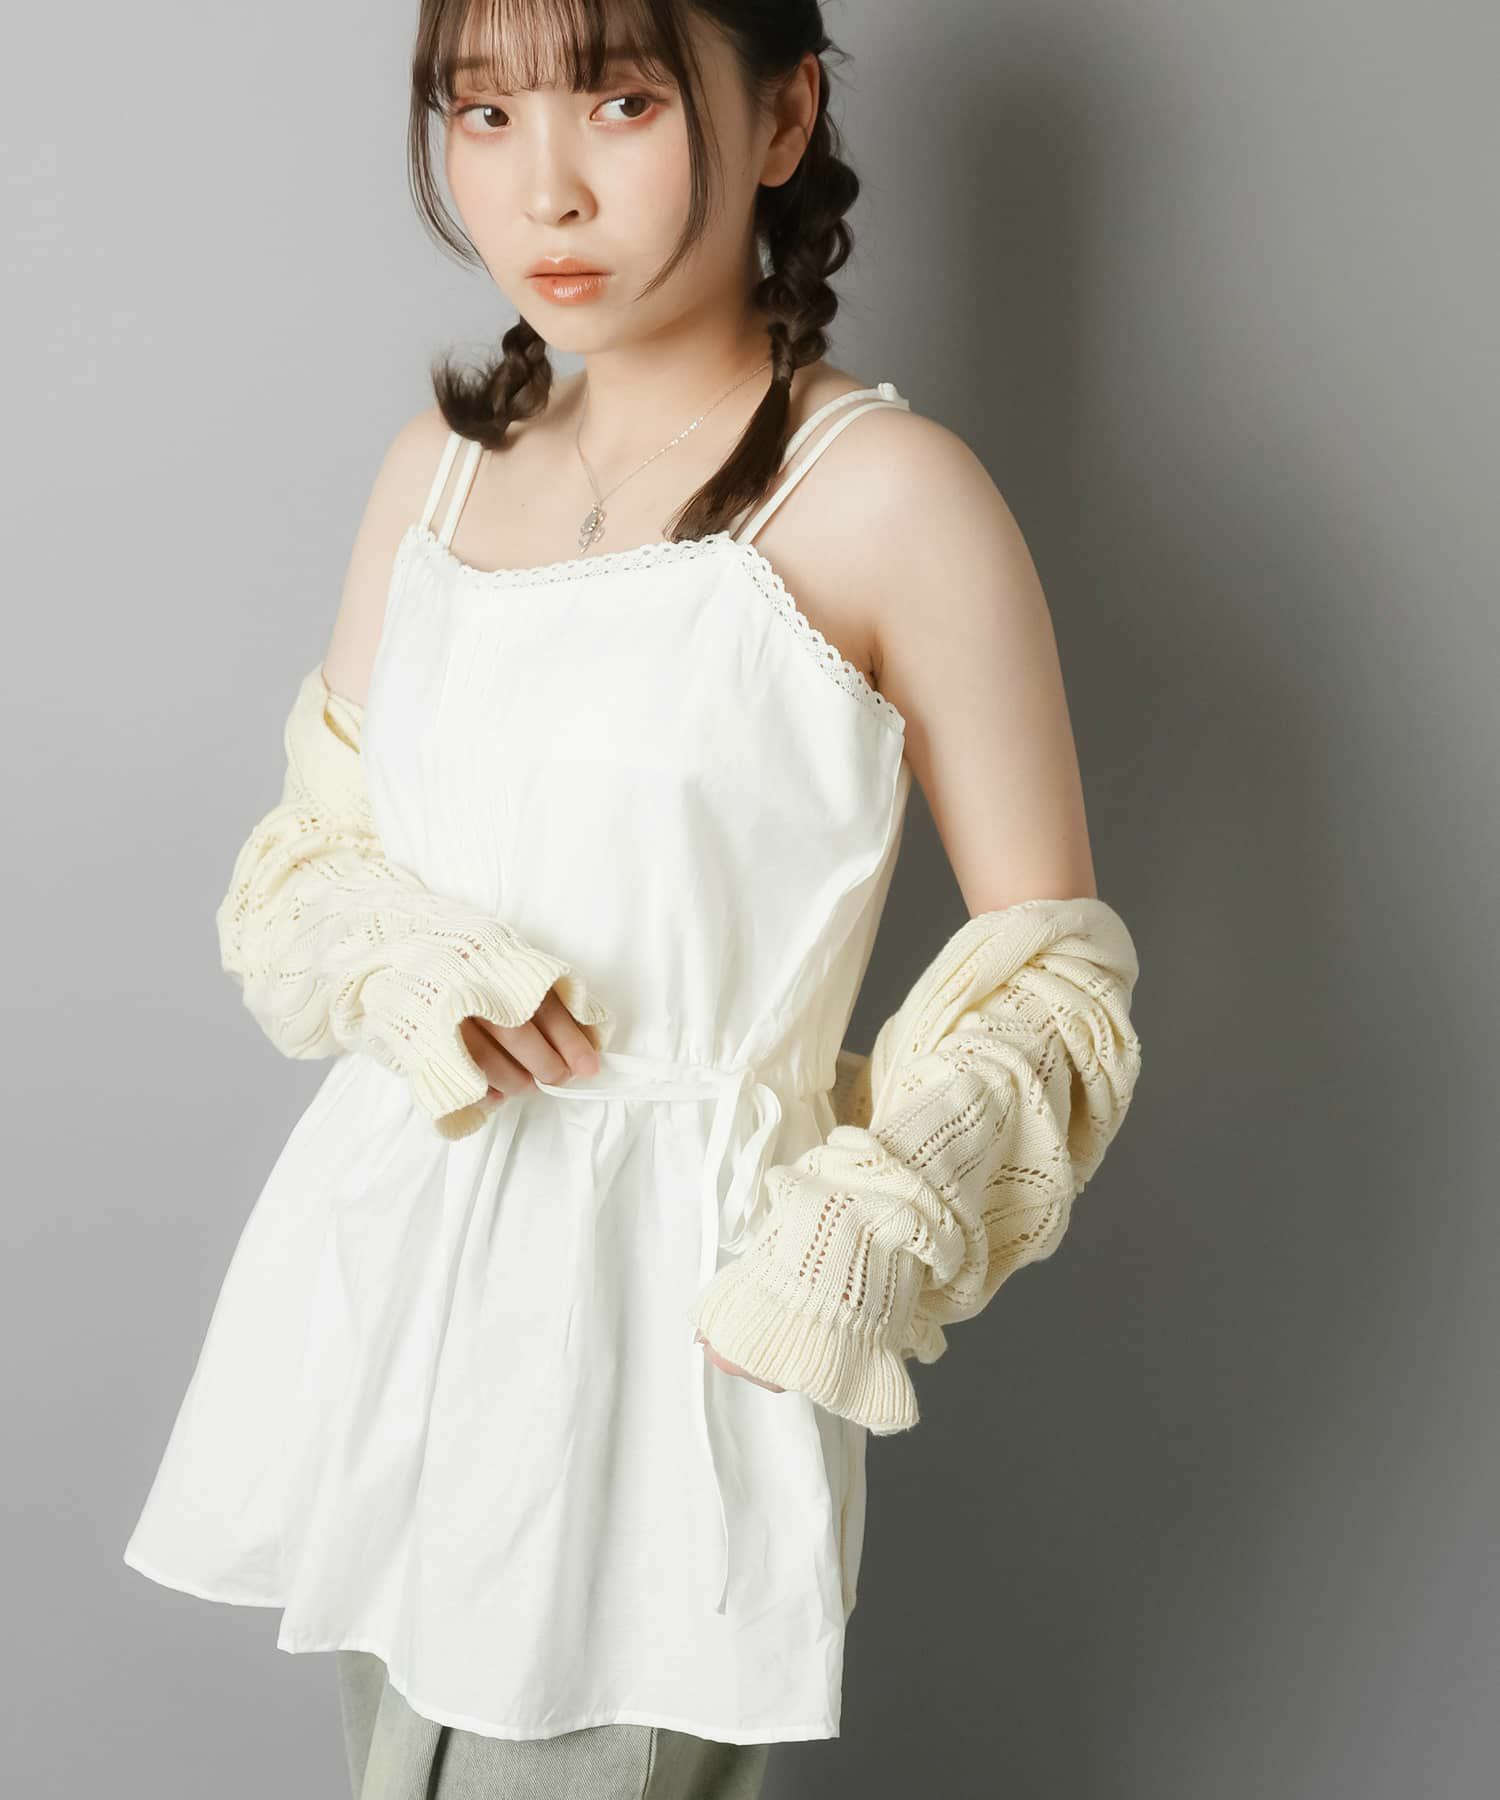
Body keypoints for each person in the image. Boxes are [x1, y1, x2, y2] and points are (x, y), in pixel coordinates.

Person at [122, 2, 1144, 1795]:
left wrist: (849, 1245)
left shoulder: (885, 497)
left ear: (782, 118)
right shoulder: (436, 475)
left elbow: (1051, 986)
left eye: (619, 101)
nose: (548, 187)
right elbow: (307, 862)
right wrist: (412, 964)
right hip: (397, 1297)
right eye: (484, 112)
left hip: (669, 1340)